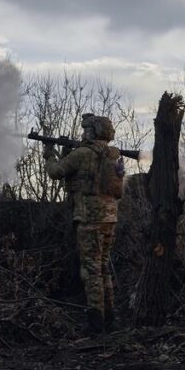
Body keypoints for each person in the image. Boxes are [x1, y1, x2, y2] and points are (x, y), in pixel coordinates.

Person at [42, 113, 125, 332]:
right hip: (110, 218)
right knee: (103, 267)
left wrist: (49, 153)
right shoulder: (112, 155)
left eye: (86, 129)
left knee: (91, 271)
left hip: (90, 219)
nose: (83, 133)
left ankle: (96, 323)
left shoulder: (83, 154)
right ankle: (110, 319)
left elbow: (56, 172)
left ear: (92, 132)